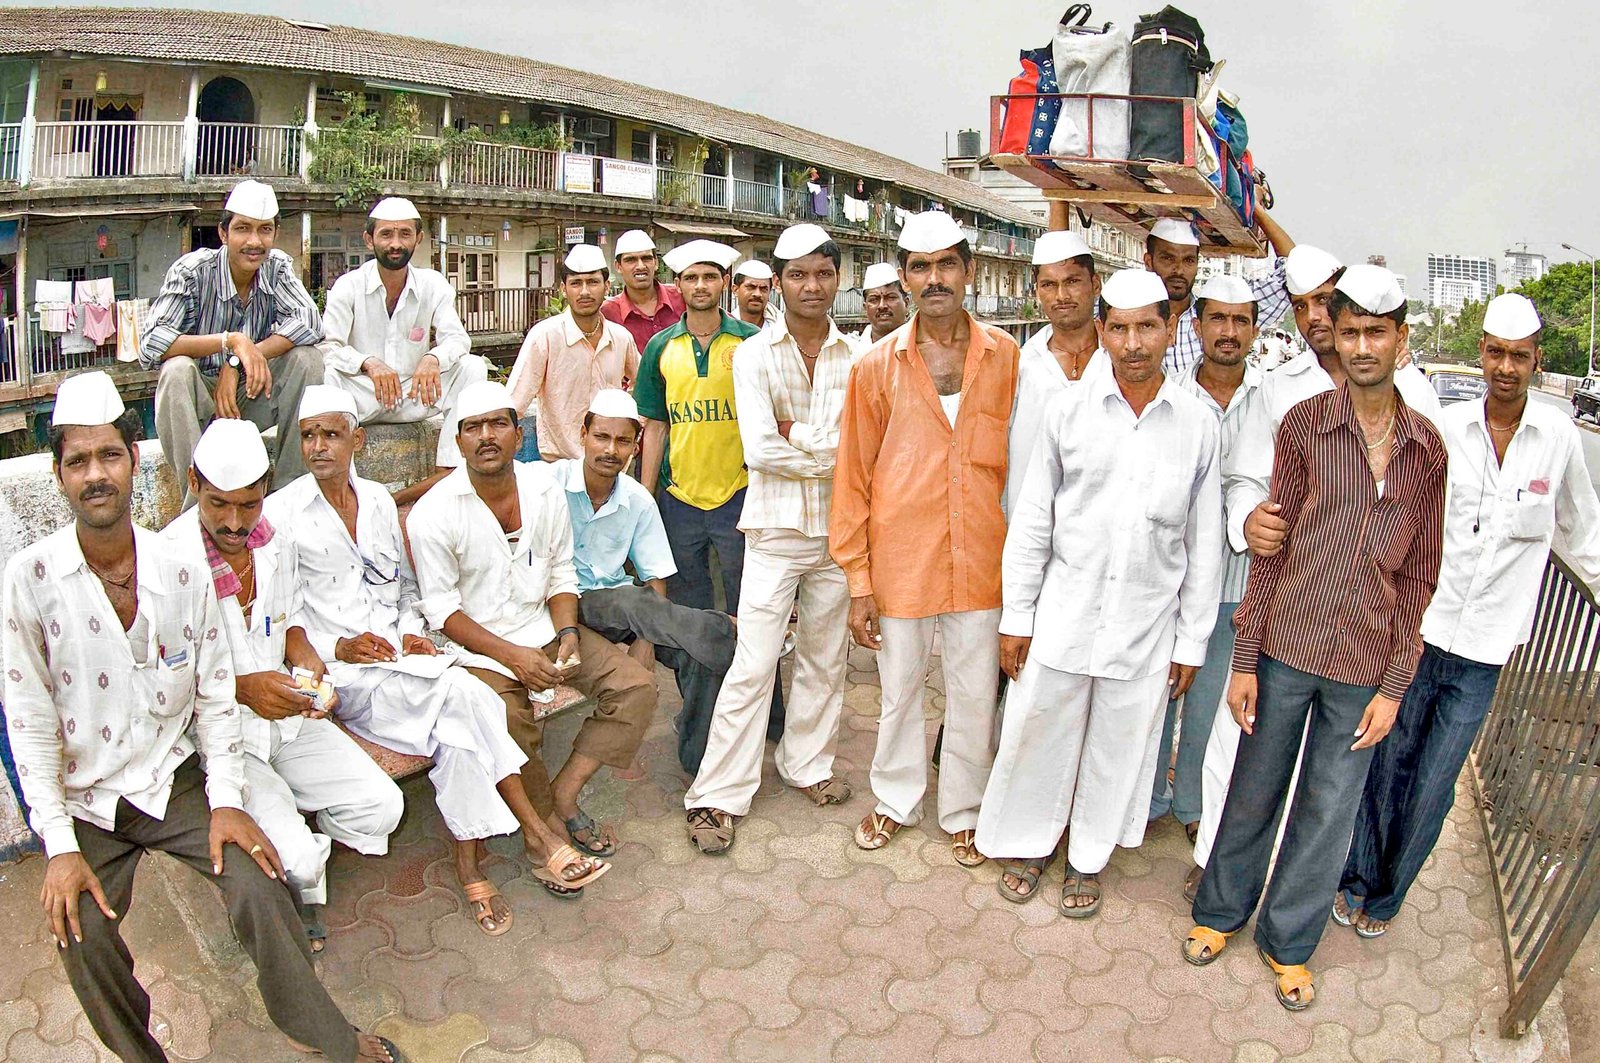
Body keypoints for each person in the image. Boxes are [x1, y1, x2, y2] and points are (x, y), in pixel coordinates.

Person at [3, 371, 402, 1063]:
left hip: (171, 776)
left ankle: (330, 1037)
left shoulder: (175, 568)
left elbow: (216, 692)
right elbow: (28, 719)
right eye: (78, 461)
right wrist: (59, 844)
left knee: (259, 876)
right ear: (58, 473)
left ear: (136, 461)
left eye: (110, 456)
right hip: (89, 797)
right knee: (79, 931)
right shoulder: (28, 579)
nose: (96, 475)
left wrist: (222, 801)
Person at [1187, 265, 1447, 1012]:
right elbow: (1269, 548)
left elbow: (1419, 576)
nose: (1362, 346)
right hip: (1286, 648)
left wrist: (1395, 685)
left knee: (1329, 807)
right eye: (1352, 330)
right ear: (1335, 331)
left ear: (1401, 340)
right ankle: (1218, 913)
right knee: (1253, 788)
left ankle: (1289, 942)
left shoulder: (1427, 450)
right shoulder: (1304, 425)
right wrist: (1243, 659)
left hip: (1362, 666)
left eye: (1378, 331)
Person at [271, 386, 606, 926]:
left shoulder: (379, 501)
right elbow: (280, 614)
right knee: (470, 701)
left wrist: (408, 634)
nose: (317, 447)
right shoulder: (280, 514)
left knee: (459, 727)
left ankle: (474, 862)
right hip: (345, 678)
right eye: (308, 435)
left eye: (331, 434)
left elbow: (404, 590)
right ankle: (539, 836)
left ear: (356, 439)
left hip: (402, 664)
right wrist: (339, 646)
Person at [1338, 293, 1600, 937]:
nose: (1505, 367)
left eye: (1519, 356)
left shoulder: (1558, 438)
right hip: (1420, 633)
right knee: (1387, 761)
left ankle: (1389, 895)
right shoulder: (1446, 430)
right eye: (1495, 353)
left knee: (1434, 782)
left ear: (1537, 362)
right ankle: (1355, 878)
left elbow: (1583, 533)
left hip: (1486, 648)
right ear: (1481, 354)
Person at [976, 269, 1221, 916]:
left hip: (1146, 622)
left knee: (1118, 745)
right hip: (1064, 610)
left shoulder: (1197, 424)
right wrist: (1018, 616)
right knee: (1040, 729)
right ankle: (1031, 842)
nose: (1134, 342)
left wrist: (1192, 640)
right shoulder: (1068, 411)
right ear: (1103, 330)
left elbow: (1205, 542)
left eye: (1148, 325)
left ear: (1172, 329)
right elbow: (1032, 521)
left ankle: (1087, 858)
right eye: (1120, 326)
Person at [164, 418, 403, 952]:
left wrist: (310, 666)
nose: (234, 523)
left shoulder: (275, 537)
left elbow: (291, 619)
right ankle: (295, 862)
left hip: (289, 719)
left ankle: (291, 828)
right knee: (294, 862)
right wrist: (245, 689)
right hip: (222, 739)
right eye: (218, 504)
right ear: (193, 484)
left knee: (383, 807)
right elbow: (163, 683)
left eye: (248, 505)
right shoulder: (167, 562)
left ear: (265, 489)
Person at [831, 210, 1019, 866]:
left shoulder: (1005, 357)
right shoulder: (876, 366)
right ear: (905, 277)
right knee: (900, 688)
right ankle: (895, 800)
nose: (934, 278)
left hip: (981, 558)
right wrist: (858, 580)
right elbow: (852, 474)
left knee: (973, 693)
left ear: (969, 271)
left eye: (946, 264)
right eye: (920, 266)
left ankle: (965, 810)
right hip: (900, 559)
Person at [407, 381, 656, 867]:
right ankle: (543, 832)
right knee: (509, 720)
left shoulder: (543, 489)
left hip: (545, 627)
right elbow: (442, 612)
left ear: (517, 433)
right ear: (457, 440)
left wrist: (566, 634)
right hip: (476, 649)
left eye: (498, 424)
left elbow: (561, 570)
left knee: (636, 688)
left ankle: (563, 795)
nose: (486, 436)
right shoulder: (433, 514)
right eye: (472, 427)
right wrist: (513, 658)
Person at [684, 224, 856, 854]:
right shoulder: (753, 354)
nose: (812, 287)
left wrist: (799, 436)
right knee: (754, 662)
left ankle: (807, 765)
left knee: (825, 656)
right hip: (775, 531)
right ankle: (717, 795)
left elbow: (862, 452)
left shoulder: (857, 355)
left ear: (839, 279)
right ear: (777, 284)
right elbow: (759, 449)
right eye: (798, 275)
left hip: (838, 532)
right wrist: (824, 446)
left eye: (823, 273)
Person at [1135, 275, 1266, 902]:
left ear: (1255, 331)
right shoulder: (1170, 398)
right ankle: (1147, 799)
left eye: (1242, 322)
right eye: (1218, 320)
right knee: (1160, 692)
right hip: (1171, 581)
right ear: (1198, 327)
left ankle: (1190, 802)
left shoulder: (1274, 403)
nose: (1229, 333)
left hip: (1240, 586)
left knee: (1213, 703)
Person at [549, 388, 741, 775]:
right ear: (582, 435)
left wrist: (645, 642)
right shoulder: (547, 484)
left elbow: (655, 578)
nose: (610, 450)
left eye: (622, 441)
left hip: (625, 615)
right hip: (563, 604)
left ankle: (699, 760)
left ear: (636, 447)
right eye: (601, 437)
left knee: (696, 652)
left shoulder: (638, 499)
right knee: (632, 602)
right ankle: (722, 626)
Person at [142, 179, 323, 498]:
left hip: (246, 394)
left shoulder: (276, 267)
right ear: (224, 233)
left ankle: (288, 491)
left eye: (265, 230)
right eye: (243, 229)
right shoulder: (193, 271)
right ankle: (198, 498)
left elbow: (310, 322)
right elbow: (152, 343)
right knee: (176, 371)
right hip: (197, 402)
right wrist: (230, 341)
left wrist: (236, 361)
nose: (254, 241)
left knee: (307, 359)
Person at [318, 196, 485, 506]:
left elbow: (458, 340)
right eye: (386, 234)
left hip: (414, 393)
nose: (395, 243)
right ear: (369, 239)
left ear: (418, 239)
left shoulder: (433, 285)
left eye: (404, 234)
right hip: (365, 396)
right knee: (329, 375)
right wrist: (367, 363)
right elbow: (328, 347)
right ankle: (342, 483)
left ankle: (448, 469)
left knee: (473, 368)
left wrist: (433, 357)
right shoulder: (348, 286)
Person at [634, 239, 760, 612]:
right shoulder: (660, 347)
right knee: (689, 602)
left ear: (725, 281)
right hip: (680, 497)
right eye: (691, 278)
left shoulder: (752, 342)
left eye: (709, 277)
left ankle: (758, 672)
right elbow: (655, 426)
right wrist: (647, 496)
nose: (700, 285)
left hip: (740, 493)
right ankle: (697, 672)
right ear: (678, 285)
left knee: (749, 601)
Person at [507, 244, 640, 462]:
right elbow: (514, 404)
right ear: (563, 288)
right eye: (576, 283)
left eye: (593, 282)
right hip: (559, 465)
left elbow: (643, 386)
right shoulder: (545, 336)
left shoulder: (621, 337)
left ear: (607, 286)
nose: (585, 292)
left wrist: (631, 423)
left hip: (611, 465)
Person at [1006, 230, 1105, 514]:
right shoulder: (1021, 365)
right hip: (1034, 533)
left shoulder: (1120, 362)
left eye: (1072, 281)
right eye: (1049, 285)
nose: (1061, 296)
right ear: (1037, 291)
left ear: (1095, 285)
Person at [1144, 212, 1294, 378]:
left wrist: (1254, 209)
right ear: (1149, 262)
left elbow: (1295, 272)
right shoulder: (1130, 319)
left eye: (1188, 260)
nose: (1179, 270)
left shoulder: (1220, 310)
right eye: (1168, 258)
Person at [601, 229, 685, 354]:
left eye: (646, 258)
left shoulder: (682, 297)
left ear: (656, 263)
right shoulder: (608, 313)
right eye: (631, 260)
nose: (640, 266)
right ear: (618, 266)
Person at [857, 261, 910, 347]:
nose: (882, 306)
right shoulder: (851, 353)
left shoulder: (924, 347)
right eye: (874, 300)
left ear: (906, 303)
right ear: (865, 308)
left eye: (891, 297)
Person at [731, 259, 778, 329]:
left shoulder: (781, 328)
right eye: (751, 287)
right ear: (735, 290)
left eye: (763, 288)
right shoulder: (724, 328)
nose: (757, 294)